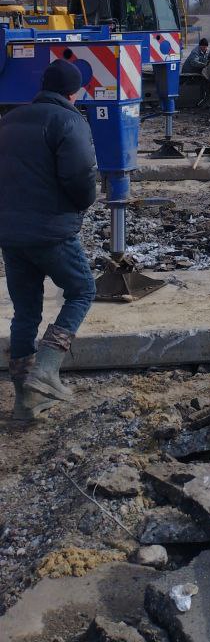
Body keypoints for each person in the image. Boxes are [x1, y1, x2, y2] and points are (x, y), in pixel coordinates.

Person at [0, 59, 98, 422]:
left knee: (26, 311)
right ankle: (45, 371)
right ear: (73, 92)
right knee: (83, 290)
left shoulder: (8, 120)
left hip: (10, 234)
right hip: (50, 231)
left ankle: (25, 401)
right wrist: (82, 204)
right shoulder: (69, 120)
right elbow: (81, 176)